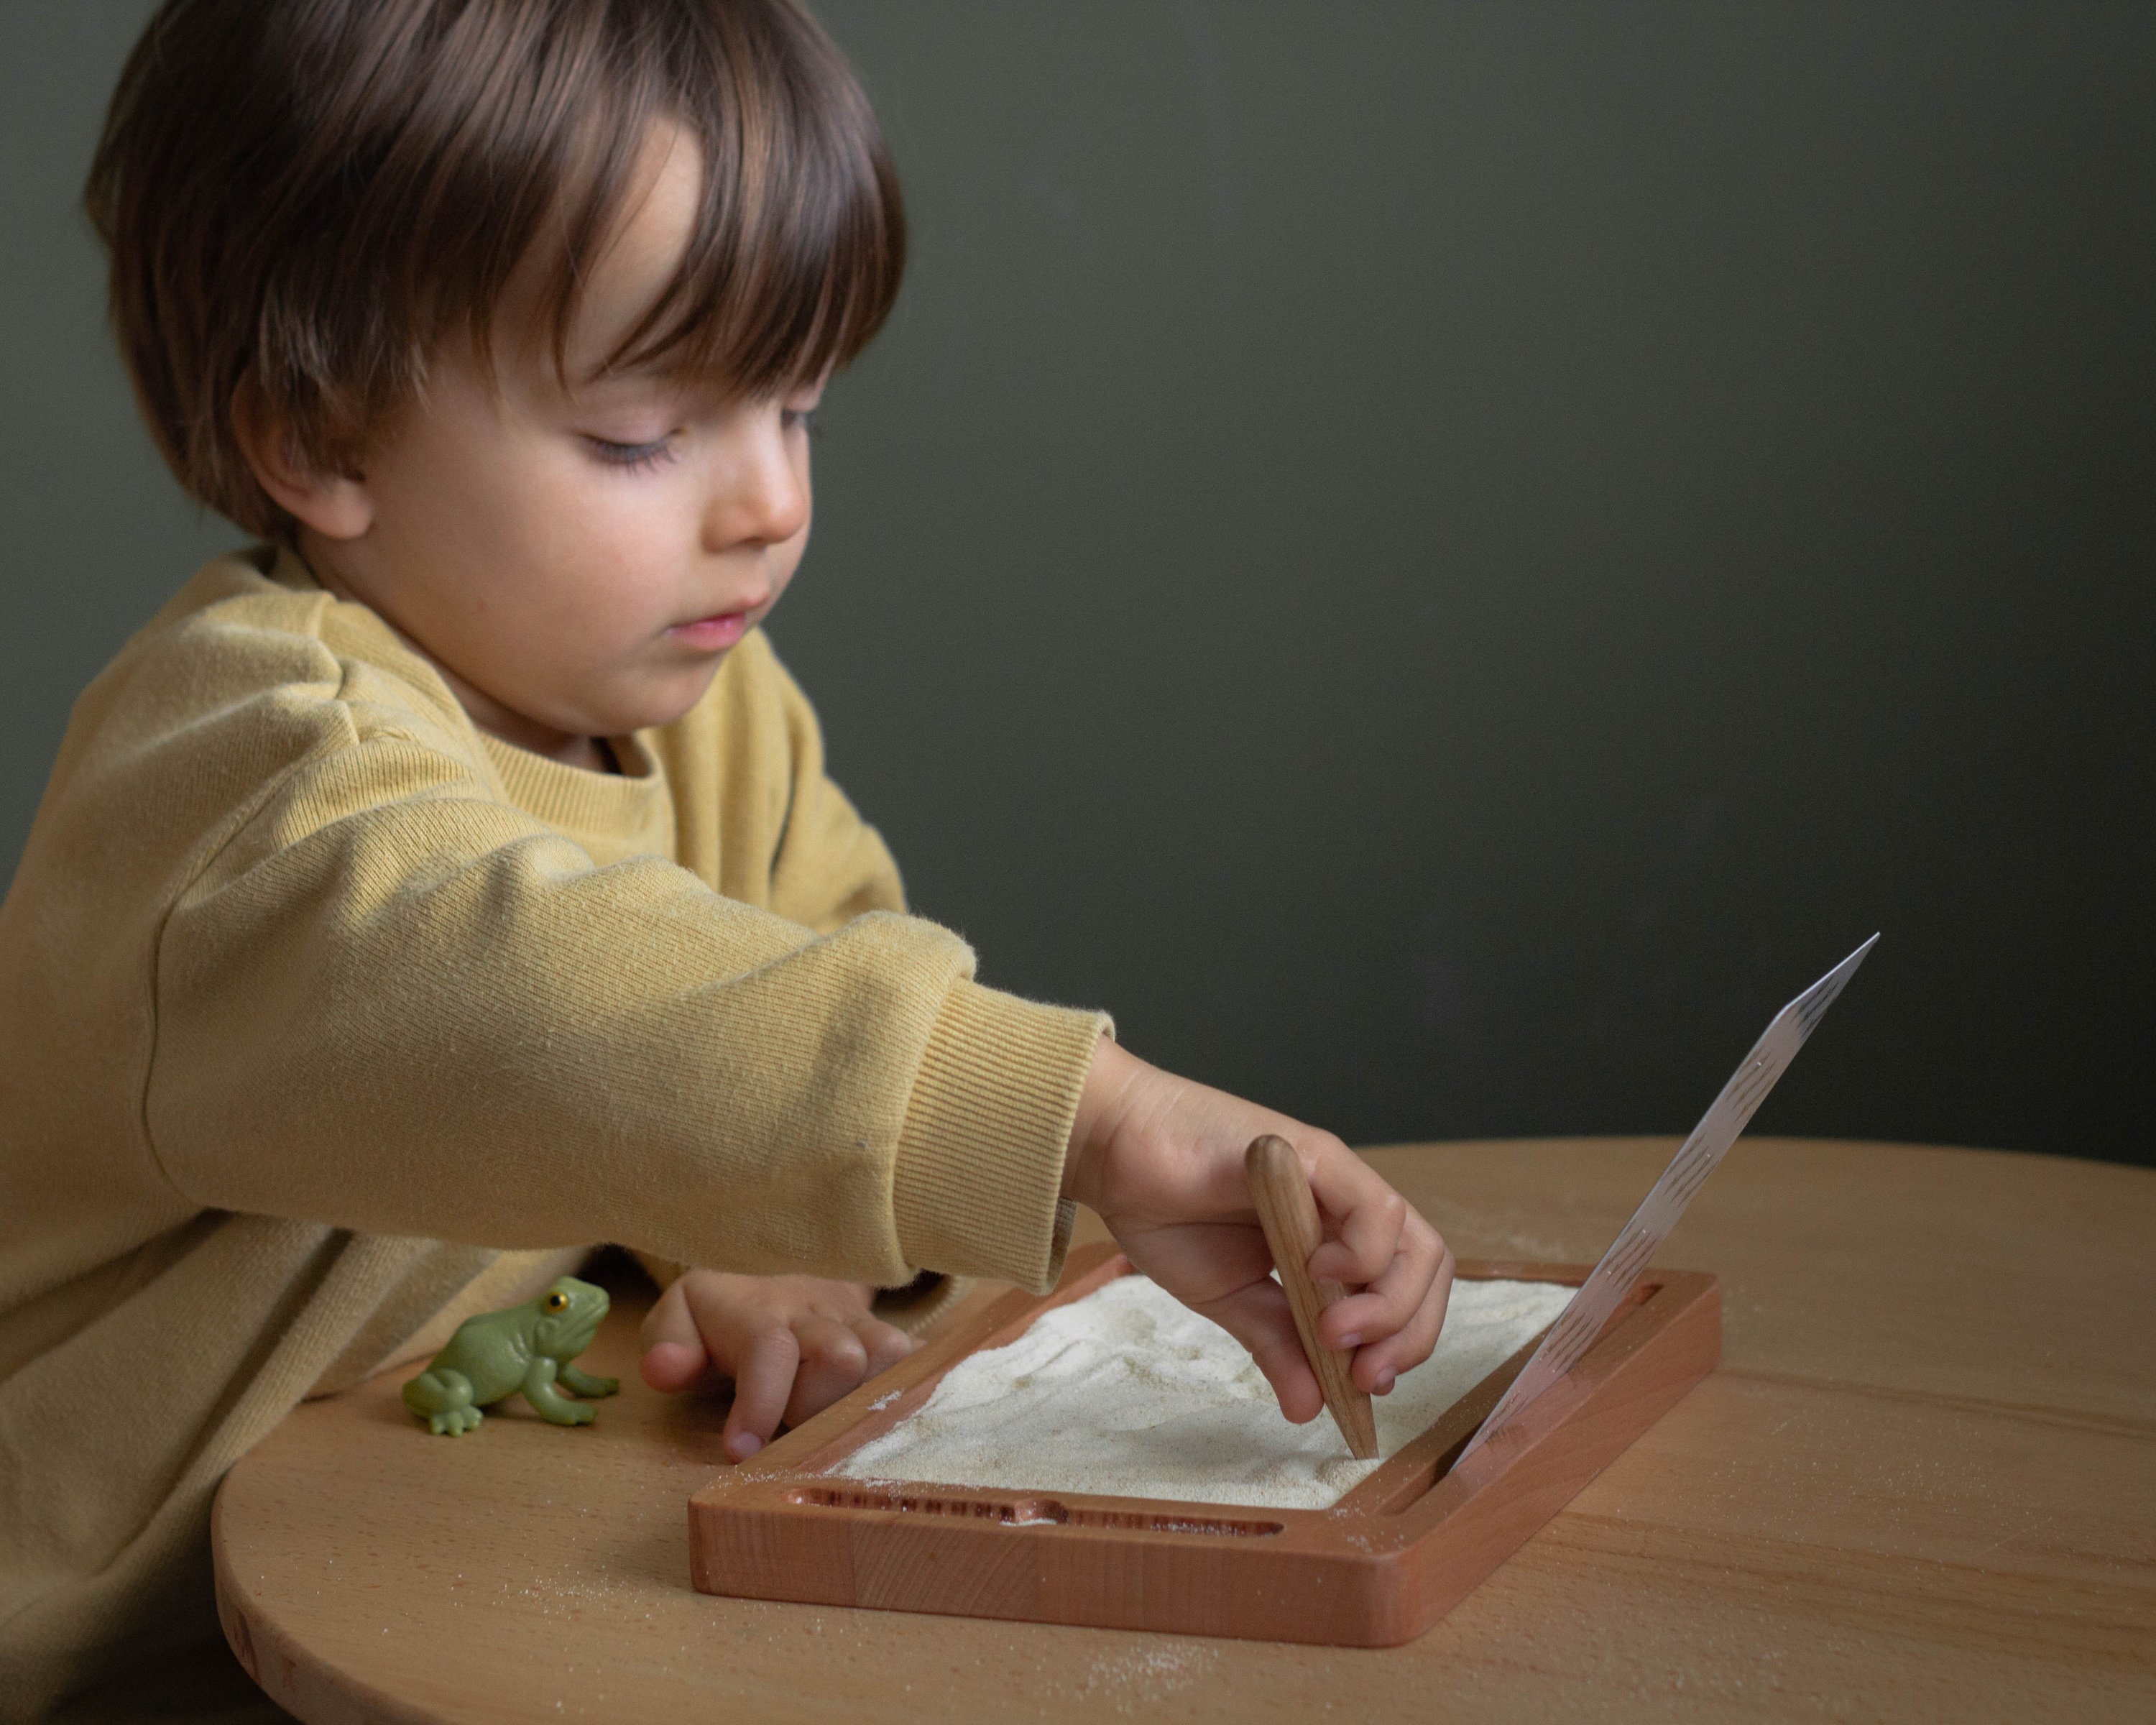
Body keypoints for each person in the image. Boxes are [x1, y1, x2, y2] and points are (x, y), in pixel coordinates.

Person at [0, 1, 1454, 1716]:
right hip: (123, 1668)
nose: (770, 502)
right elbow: (534, 1004)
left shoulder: (709, 710)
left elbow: (794, 1002)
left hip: (441, 1586)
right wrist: (1089, 1116)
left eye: (798, 405)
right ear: (319, 438)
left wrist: (755, 1236)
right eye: (642, 433)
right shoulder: (244, 778)